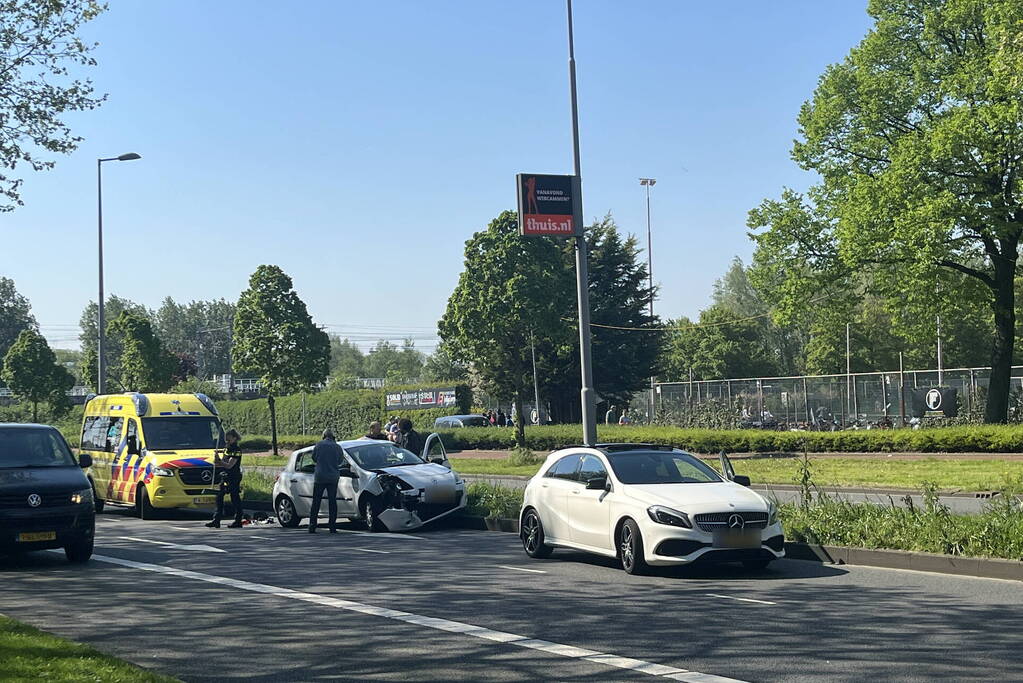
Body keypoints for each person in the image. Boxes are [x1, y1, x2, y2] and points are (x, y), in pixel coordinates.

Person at [206, 429, 243, 529]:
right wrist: (217, 460)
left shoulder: (237, 450)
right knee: (219, 496)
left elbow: (230, 465)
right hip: (225, 475)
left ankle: (238, 520)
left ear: (234, 438)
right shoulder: (227, 448)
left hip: (234, 476)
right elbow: (222, 462)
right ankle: (216, 520)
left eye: (229, 439)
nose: (227, 441)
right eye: (226, 440)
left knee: (234, 498)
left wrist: (220, 462)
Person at [309, 428, 344, 534]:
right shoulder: (337, 447)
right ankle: (332, 526)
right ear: (333, 437)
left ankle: (312, 526)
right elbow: (340, 461)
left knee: (316, 501)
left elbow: (314, 458)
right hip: (333, 476)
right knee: (332, 501)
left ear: (323, 436)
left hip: (320, 476)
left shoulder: (318, 445)